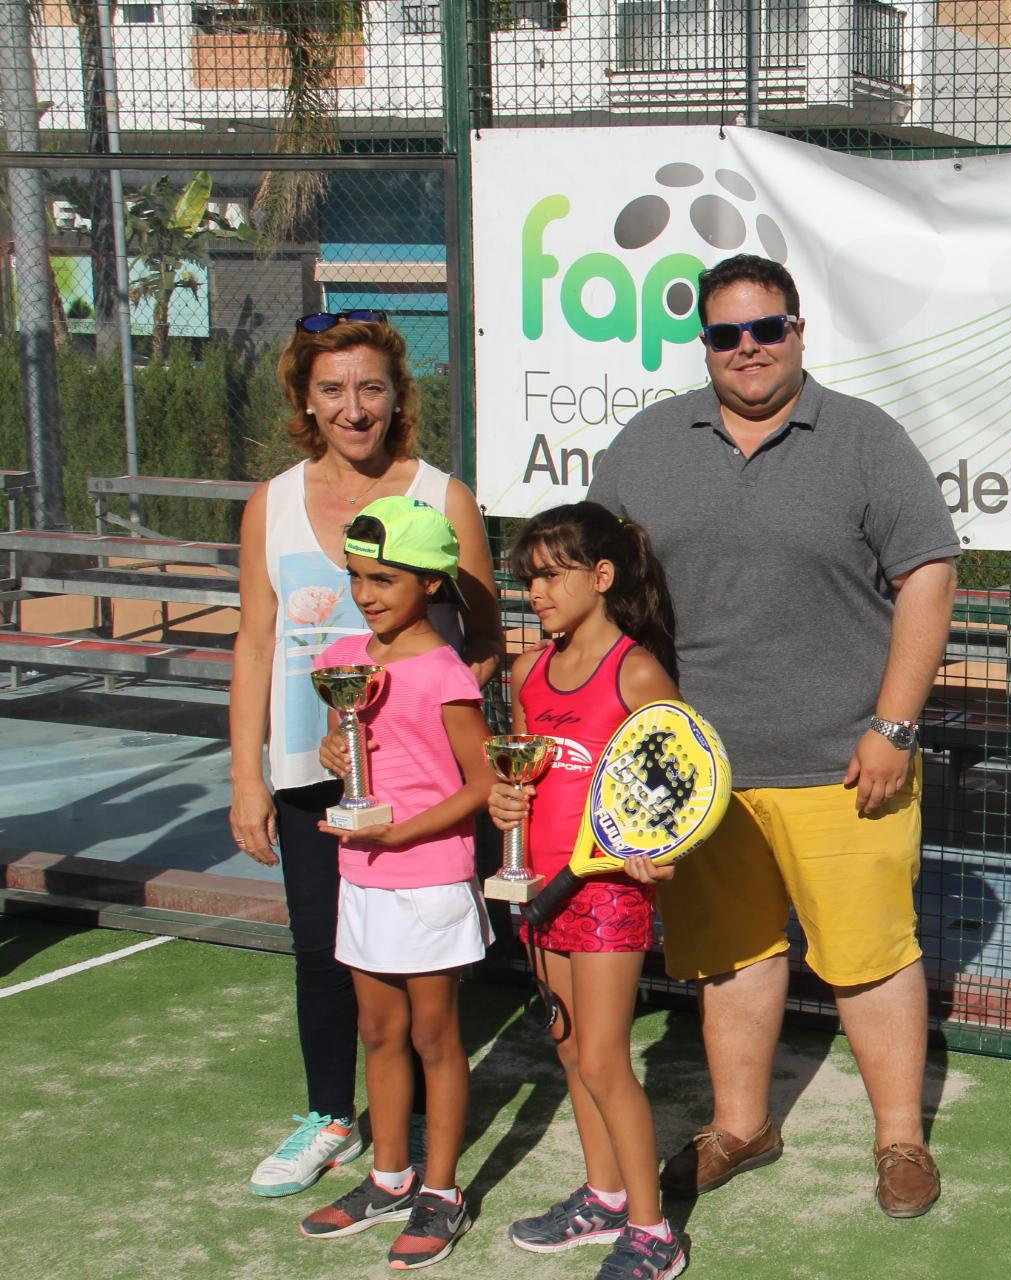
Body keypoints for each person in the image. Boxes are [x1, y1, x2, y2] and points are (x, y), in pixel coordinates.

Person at [586, 254, 959, 1219]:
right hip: (696, 774)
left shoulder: (867, 440)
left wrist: (893, 726)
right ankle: (743, 1126)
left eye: (767, 329)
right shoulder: (647, 445)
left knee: (870, 958)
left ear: (798, 332)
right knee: (732, 956)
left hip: (844, 763)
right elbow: (600, 586)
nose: (747, 348)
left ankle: (901, 1140)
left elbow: (928, 574)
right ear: (704, 343)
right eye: (726, 334)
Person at [228, 311, 500, 1199]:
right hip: (310, 771)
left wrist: (412, 727)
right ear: (306, 401)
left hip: (420, 789)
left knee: (419, 975)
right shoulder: (270, 504)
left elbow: (483, 641)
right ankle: (329, 1118)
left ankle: (413, 1128)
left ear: (396, 397)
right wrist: (247, 775)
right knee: (322, 950)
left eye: (371, 387)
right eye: (333, 389)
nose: (354, 407)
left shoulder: (443, 495)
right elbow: (256, 646)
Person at [485, 502, 689, 1279]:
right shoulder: (526, 673)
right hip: (540, 888)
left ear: (602, 576)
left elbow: (684, 782)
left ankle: (653, 1233)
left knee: (603, 1060)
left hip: (608, 897)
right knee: (572, 1052)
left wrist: (657, 853)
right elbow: (525, 777)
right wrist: (506, 802)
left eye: (551, 575)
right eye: (528, 579)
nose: (536, 592)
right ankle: (604, 1197)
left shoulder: (636, 671)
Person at [295, 496, 494, 1269]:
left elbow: (482, 782)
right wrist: (332, 755)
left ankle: (441, 1193)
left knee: (434, 1038)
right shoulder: (343, 659)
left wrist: (402, 833)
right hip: (362, 873)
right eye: (356, 577)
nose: (366, 594)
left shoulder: (444, 671)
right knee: (378, 1033)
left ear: (431, 584)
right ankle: (388, 1178)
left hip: (430, 879)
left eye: (384, 579)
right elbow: (340, 748)